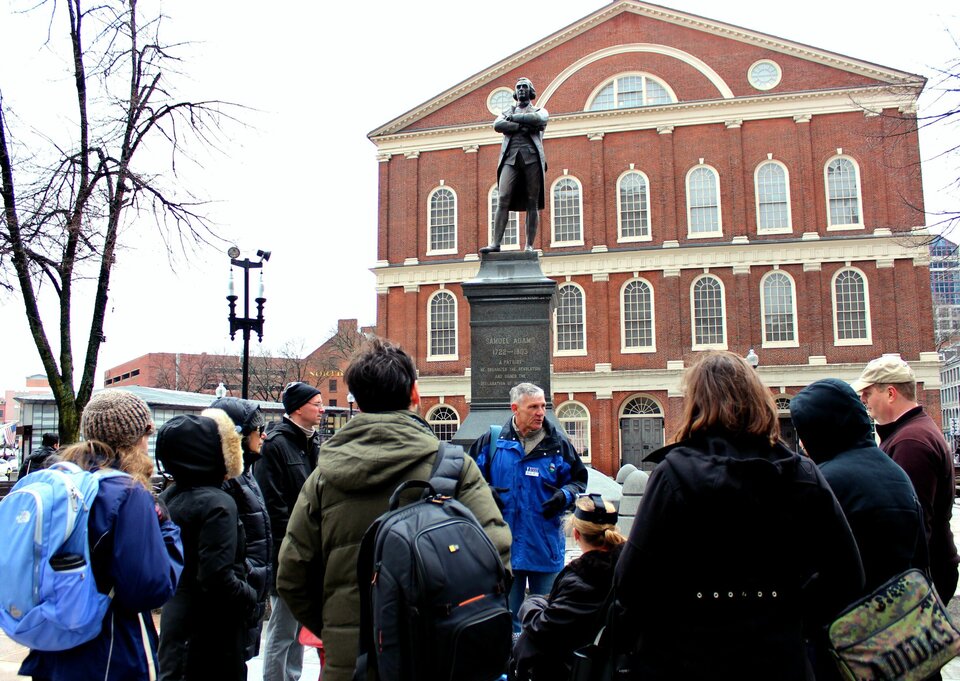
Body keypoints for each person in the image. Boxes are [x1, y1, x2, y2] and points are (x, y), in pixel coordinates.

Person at [612, 351, 864, 681]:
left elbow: (631, 583)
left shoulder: (674, 475)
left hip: (688, 658)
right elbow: (848, 576)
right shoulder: (802, 473)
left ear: (696, 403)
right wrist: (792, 615)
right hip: (779, 659)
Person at [277, 337, 511, 681]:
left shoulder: (323, 478)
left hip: (351, 662)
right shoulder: (455, 467)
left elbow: (292, 575)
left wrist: (340, 626)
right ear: (414, 394)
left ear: (356, 401)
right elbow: (498, 556)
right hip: (439, 657)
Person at [19, 390, 184, 681]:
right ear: (136, 437)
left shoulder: (62, 483)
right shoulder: (127, 493)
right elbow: (148, 588)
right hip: (110, 650)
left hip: (54, 647)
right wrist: (168, 531)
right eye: (146, 433)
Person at [790, 378, 927, 680]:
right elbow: (921, 557)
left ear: (820, 429)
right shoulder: (894, 471)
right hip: (902, 634)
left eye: (805, 431)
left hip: (848, 643)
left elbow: (807, 567)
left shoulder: (825, 482)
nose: (801, 443)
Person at [469, 382, 588, 634]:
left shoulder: (558, 444)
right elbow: (469, 481)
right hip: (504, 552)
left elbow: (579, 480)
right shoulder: (492, 442)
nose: (541, 412)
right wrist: (486, 492)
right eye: (533, 406)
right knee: (506, 621)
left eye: (543, 405)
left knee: (547, 620)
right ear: (515, 408)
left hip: (543, 548)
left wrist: (564, 495)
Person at [157, 410, 258, 681]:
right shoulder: (218, 504)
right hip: (213, 631)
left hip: (176, 623)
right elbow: (217, 576)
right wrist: (249, 595)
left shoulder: (168, 496)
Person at [853, 355, 960, 602]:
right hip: (926, 573)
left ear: (890, 393)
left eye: (868, 392)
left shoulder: (911, 442)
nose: (863, 400)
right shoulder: (912, 433)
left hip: (918, 581)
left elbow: (911, 524)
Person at [510, 494, 624, 681]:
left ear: (577, 534)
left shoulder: (583, 580)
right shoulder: (621, 569)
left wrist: (530, 603)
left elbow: (543, 627)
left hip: (565, 667)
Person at [254, 381, 324, 681]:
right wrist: (288, 553)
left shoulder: (310, 442)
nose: (322, 409)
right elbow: (273, 505)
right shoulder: (275, 445)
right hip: (287, 554)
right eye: (316, 403)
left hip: (306, 551)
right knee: (283, 630)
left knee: (298, 627)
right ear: (297, 408)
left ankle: (291, 677)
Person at [210, 396, 272, 661]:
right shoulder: (225, 481)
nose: (264, 436)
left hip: (246, 601)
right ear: (239, 436)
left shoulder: (245, 473)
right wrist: (246, 585)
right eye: (258, 431)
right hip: (233, 606)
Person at [481, 77, 548, 253]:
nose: (521, 90)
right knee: (503, 197)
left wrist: (515, 119)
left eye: (524, 87)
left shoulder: (539, 110)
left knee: (532, 202)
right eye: (518, 87)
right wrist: (522, 125)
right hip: (510, 159)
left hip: (531, 158)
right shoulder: (506, 111)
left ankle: (529, 245)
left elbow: (538, 119)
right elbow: (498, 124)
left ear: (531, 90)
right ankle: (495, 243)